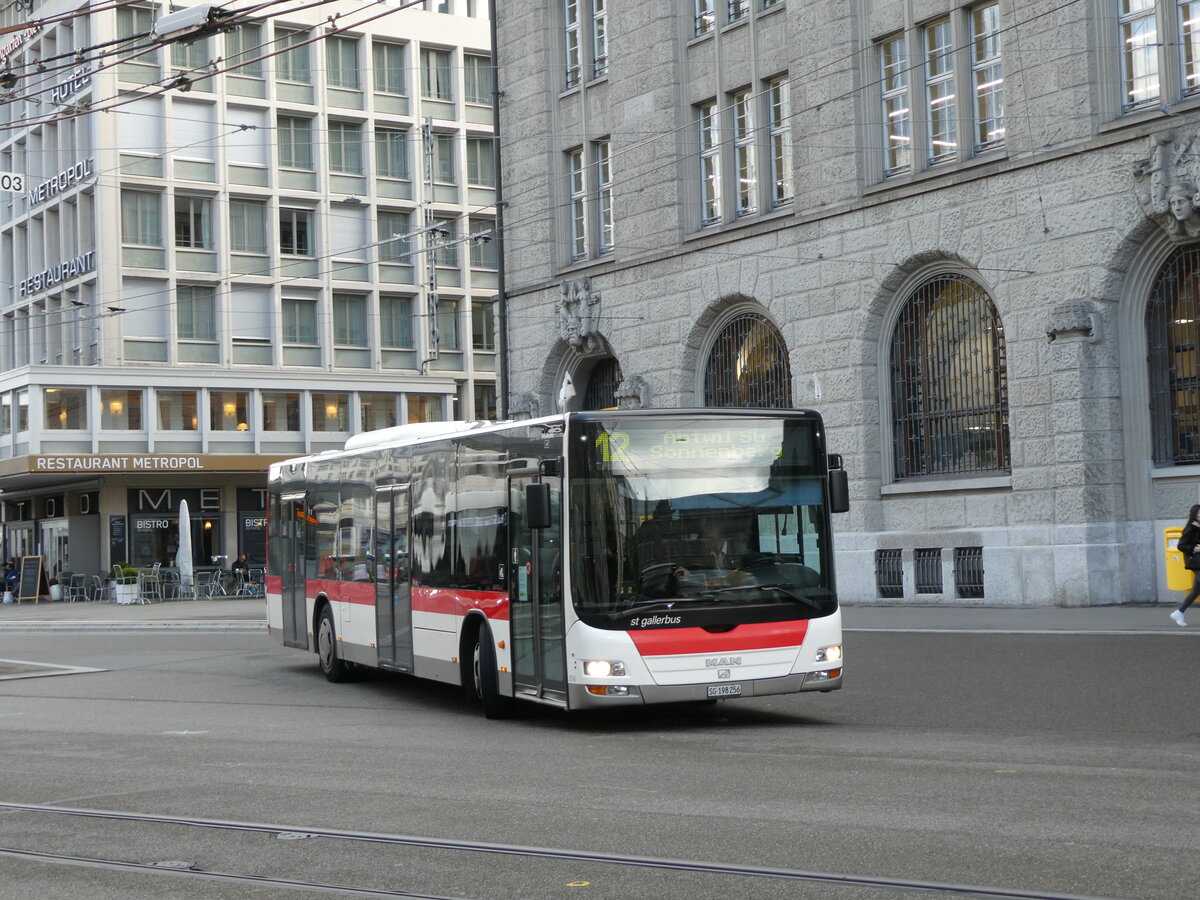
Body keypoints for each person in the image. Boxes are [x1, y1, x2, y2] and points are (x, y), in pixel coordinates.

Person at [1172, 504, 1200, 626]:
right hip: (1196, 562)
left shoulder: (1198, 526)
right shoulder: (1191, 528)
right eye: (1199, 513)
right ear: (1195, 514)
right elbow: (1181, 546)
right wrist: (1195, 548)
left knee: (1195, 592)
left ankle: (1179, 612)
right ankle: (1179, 612)